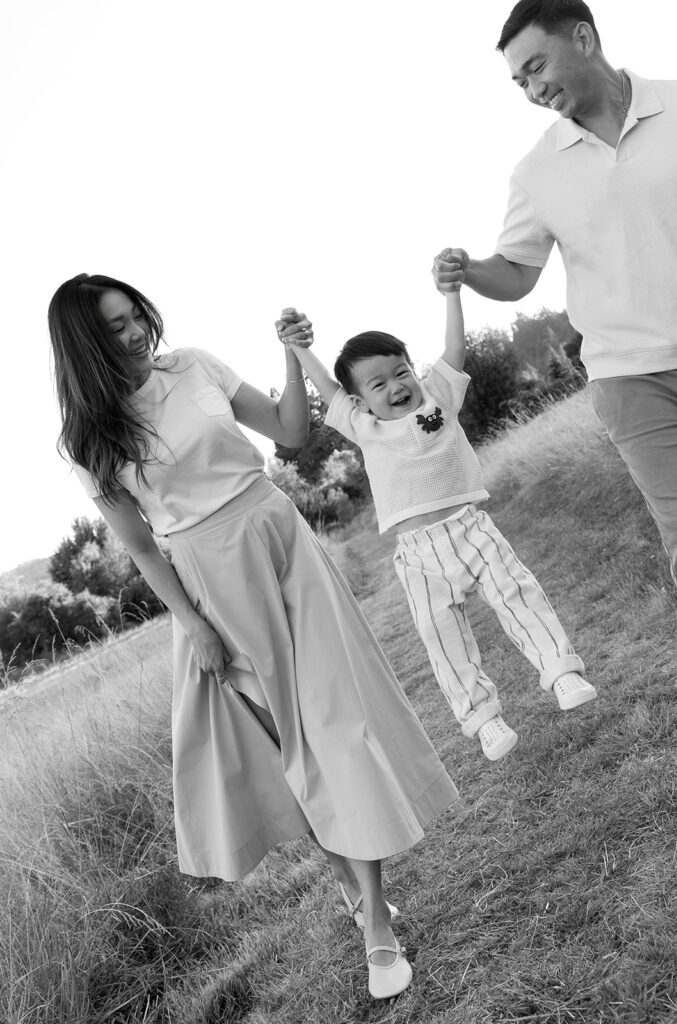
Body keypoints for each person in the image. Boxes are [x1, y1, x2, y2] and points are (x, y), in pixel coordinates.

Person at [48, 272, 460, 1001]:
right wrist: (195, 626)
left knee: (336, 726)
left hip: (280, 537)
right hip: (212, 578)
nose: (135, 331)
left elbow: (290, 431)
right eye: (112, 327)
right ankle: (352, 888)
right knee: (285, 744)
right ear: (84, 344)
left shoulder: (197, 365)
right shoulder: (91, 437)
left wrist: (289, 355)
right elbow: (143, 548)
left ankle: (375, 929)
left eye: (133, 314)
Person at [276, 259, 596, 764]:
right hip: (417, 554)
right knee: (441, 635)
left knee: (518, 596)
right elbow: (327, 388)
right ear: (359, 401)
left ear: (412, 367)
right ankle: (484, 720)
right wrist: (299, 347)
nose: (395, 385)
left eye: (399, 371)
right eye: (377, 384)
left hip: (471, 527)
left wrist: (452, 294)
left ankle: (561, 673)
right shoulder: (363, 428)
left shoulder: (437, 398)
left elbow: (454, 350)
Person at [433, 0, 677, 598]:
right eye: (519, 81)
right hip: (631, 376)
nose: (531, 89)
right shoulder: (536, 172)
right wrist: (470, 271)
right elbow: (517, 272)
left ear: (584, 38)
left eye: (537, 66)